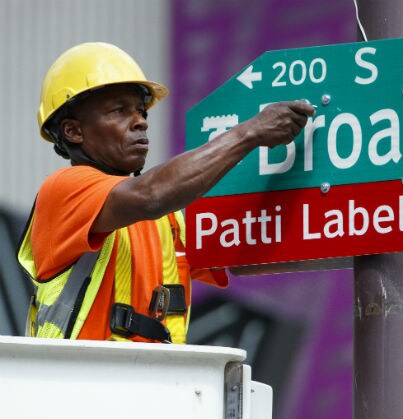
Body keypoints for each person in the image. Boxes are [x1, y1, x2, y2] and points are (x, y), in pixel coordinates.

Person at [17, 42, 314, 344]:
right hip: (82, 382)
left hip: (159, 381)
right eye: (119, 110)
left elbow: (249, 254)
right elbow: (151, 195)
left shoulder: (166, 216)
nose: (141, 121)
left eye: (140, 110)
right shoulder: (65, 190)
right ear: (73, 131)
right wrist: (249, 133)